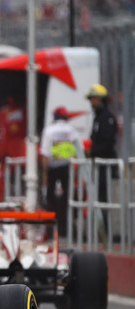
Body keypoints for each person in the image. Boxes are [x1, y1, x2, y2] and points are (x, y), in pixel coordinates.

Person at [40, 107, 84, 236]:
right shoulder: (71, 130)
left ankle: (51, 228)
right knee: (68, 198)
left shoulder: (49, 130)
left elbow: (45, 154)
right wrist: (76, 172)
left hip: (53, 167)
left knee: (50, 199)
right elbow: (79, 151)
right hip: (67, 167)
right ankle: (67, 228)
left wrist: (44, 174)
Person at [87, 83, 119, 232]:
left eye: (94, 99)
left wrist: (93, 152)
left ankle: (106, 230)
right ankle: (100, 229)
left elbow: (108, 142)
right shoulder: (97, 118)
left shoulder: (107, 118)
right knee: (98, 197)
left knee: (105, 198)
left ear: (101, 99)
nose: (91, 102)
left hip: (106, 166)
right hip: (98, 165)